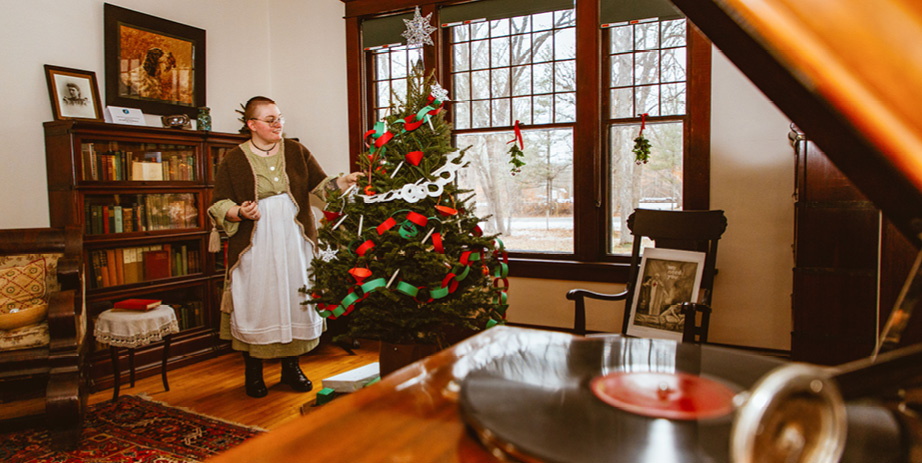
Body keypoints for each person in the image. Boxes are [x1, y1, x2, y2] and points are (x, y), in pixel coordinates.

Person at [208, 96, 362, 398]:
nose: (278, 124)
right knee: (257, 303)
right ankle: (253, 372)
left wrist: (343, 180)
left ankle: (291, 368)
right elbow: (219, 203)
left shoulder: (296, 151)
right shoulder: (234, 159)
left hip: (294, 241)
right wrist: (240, 212)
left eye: (280, 118)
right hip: (255, 244)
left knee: (293, 299)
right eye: (270, 119)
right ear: (252, 125)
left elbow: (320, 187)